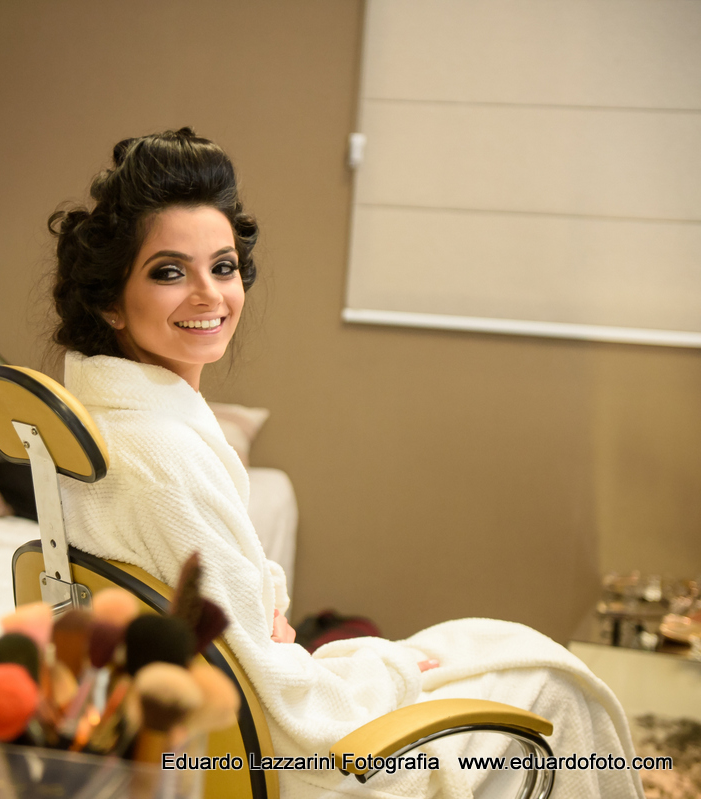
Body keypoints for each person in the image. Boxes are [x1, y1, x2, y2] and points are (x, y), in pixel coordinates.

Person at [49, 128, 642, 799]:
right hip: (292, 766)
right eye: (169, 271)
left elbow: (239, 631)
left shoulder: (110, 428)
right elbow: (286, 706)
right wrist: (389, 678)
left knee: (499, 648)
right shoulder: (163, 459)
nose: (210, 294)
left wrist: (265, 618)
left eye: (223, 266)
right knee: (555, 686)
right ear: (109, 300)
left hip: (231, 731)